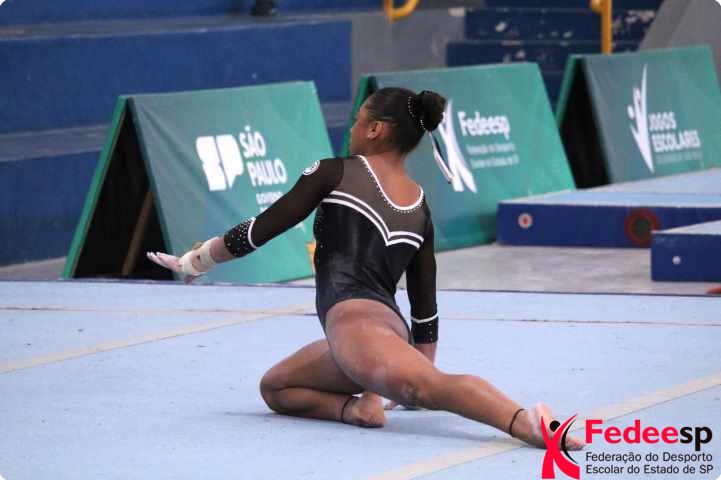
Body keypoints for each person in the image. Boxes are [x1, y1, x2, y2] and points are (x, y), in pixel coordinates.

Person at [147, 87, 585, 450]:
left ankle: (526, 421)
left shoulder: (334, 173)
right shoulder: (419, 205)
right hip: (373, 336)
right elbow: (425, 305)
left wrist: (196, 260)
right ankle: (359, 406)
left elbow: (262, 228)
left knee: (429, 387)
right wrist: (418, 358)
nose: (352, 128)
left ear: (376, 129)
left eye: (358, 121)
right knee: (276, 387)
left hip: (357, 331)